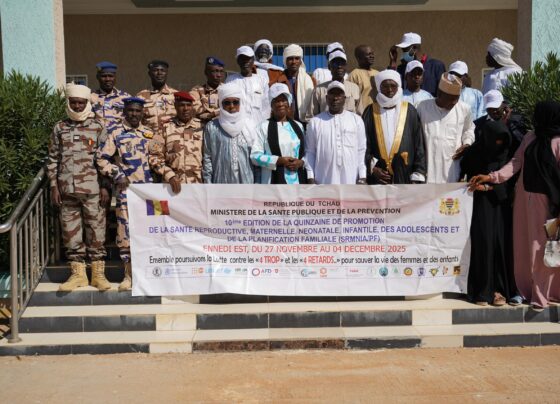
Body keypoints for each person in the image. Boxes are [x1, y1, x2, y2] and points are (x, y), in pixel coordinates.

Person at [469, 101, 560, 310]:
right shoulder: (530, 137)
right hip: (523, 199)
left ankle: (541, 295)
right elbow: (516, 163)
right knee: (520, 246)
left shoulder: (558, 142)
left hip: (548, 204)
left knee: (541, 249)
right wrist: (492, 177)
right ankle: (523, 290)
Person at [47, 84, 111, 292]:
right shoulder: (60, 127)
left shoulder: (98, 126)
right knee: (70, 232)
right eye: (73, 102)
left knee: (96, 231)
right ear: (68, 102)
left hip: (93, 190)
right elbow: (52, 159)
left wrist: (105, 187)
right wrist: (54, 186)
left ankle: (98, 275)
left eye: (80, 103)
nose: (76, 106)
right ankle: (78, 275)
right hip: (66, 190)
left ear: (87, 103)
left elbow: (106, 158)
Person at [96, 97, 155, 292]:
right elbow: (101, 159)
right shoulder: (115, 133)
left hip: (149, 194)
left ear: (142, 112)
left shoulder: (149, 133)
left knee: (149, 231)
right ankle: (129, 275)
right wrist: (117, 174)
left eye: (138, 111)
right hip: (126, 192)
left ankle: (146, 273)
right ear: (124, 111)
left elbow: (157, 158)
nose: (134, 114)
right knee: (125, 232)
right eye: (130, 110)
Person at [461, 121, 518, 306]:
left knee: (500, 246)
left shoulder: (509, 154)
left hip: (502, 208)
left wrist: (488, 187)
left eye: (502, 140)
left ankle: (499, 290)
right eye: (496, 140)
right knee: (484, 245)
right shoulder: (473, 154)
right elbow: (465, 177)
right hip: (480, 207)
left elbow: (511, 181)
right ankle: (482, 291)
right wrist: (474, 185)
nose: (499, 144)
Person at [362, 70, 426, 185]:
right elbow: (363, 145)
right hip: (378, 178)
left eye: (393, 86)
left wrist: (418, 173)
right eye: (385, 86)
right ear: (379, 88)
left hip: (405, 176)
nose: (390, 90)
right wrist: (372, 168)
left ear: (399, 87)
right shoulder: (370, 111)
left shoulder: (409, 110)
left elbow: (419, 143)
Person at [304, 81, 367, 185]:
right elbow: (310, 151)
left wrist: (362, 176)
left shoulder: (356, 120)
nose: (335, 98)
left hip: (351, 178)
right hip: (323, 179)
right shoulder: (315, 122)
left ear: (344, 98)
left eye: (339, 95)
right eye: (332, 94)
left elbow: (361, 149)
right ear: (326, 98)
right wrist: (310, 177)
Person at [416, 73, 475, 183]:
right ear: (439, 93)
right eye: (451, 98)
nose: (454, 102)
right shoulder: (422, 107)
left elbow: (469, 129)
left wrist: (467, 143)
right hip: (428, 170)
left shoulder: (464, 109)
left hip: (452, 171)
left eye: (457, 98)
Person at [251, 83, 306, 184]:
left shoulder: (299, 126)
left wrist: (301, 162)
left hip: (297, 181)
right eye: (276, 101)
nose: (281, 104)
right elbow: (254, 156)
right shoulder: (263, 127)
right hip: (272, 182)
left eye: (283, 100)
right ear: (271, 105)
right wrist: (278, 160)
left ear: (289, 102)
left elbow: (307, 152)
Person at [149, 91, 203, 194]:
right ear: (175, 106)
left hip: (198, 186)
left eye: (188, 105)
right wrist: (169, 175)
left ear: (192, 107)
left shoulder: (202, 127)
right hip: (172, 188)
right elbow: (154, 156)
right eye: (182, 105)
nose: (185, 108)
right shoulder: (164, 128)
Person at [202, 82, 256, 184]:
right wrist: (208, 183)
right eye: (227, 103)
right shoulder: (212, 127)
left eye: (235, 102)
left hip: (247, 183)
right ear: (221, 105)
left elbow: (256, 158)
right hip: (220, 183)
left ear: (241, 103)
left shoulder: (250, 126)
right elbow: (207, 158)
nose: (232, 106)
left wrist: (258, 185)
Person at [307, 50, 361, 120]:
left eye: (342, 63)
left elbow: (359, 114)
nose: (339, 67)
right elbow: (310, 117)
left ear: (346, 67)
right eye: (336, 63)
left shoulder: (354, 88)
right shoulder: (319, 90)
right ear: (329, 67)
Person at [269, 44, 316, 124]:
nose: (294, 62)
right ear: (285, 61)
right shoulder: (277, 81)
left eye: (297, 58)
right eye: (290, 59)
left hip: (306, 123)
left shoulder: (311, 81)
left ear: (300, 61)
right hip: (284, 124)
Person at [389, 32, 445, 97]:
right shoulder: (402, 68)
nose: (403, 53)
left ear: (414, 48)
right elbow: (391, 86)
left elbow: (442, 93)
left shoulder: (436, 66)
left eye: (405, 50)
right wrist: (393, 62)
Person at [225, 46, 270, 126]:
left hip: (258, 126)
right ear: (238, 61)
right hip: (238, 127)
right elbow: (226, 106)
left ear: (253, 60)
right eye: (242, 59)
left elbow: (266, 107)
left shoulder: (262, 80)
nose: (245, 62)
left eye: (248, 59)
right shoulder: (230, 80)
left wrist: (264, 126)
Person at [137, 60, 177, 134]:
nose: (159, 73)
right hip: (149, 137)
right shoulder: (141, 96)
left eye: (163, 70)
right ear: (149, 73)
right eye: (155, 70)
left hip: (172, 137)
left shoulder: (176, 95)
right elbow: (137, 122)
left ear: (167, 73)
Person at [90, 61, 131, 130]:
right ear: (97, 77)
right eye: (104, 76)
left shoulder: (126, 98)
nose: (107, 79)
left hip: (119, 135)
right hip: (97, 135)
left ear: (115, 77)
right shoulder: (90, 97)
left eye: (110, 76)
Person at [189, 57, 224, 125]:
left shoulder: (228, 90)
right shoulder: (197, 91)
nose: (219, 75)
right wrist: (220, 112)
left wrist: (211, 114)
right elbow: (194, 110)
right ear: (206, 72)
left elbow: (230, 109)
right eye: (215, 71)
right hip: (202, 128)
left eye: (221, 71)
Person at [348, 45, 379, 114]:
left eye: (372, 54)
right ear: (359, 58)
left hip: (378, 113)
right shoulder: (354, 75)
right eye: (368, 54)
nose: (372, 56)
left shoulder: (378, 74)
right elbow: (351, 100)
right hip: (362, 115)